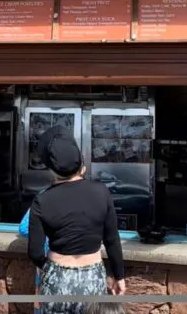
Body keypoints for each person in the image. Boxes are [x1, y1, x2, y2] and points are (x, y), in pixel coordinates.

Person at [27, 127, 125, 314]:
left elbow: (34, 252)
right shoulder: (101, 192)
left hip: (57, 278)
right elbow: (112, 240)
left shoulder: (42, 200)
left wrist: (50, 270)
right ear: (81, 163)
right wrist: (119, 276)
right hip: (92, 278)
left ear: (51, 169)